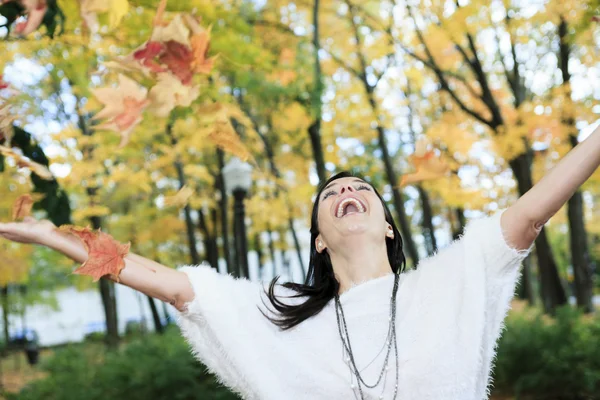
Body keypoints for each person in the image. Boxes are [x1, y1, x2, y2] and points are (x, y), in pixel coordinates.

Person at [1, 127, 599, 400]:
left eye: (361, 188)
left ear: (388, 225)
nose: (347, 193)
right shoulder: (277, 314)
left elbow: (527, 215)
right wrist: (52, 236)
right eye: (331, 195)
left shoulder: (451, 281)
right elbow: (171, 285)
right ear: (318, 238)